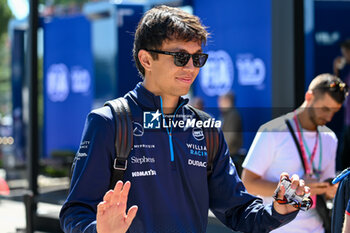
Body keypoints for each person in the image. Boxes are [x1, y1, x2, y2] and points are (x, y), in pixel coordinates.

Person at [60, 5, 309, 233]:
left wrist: (278, 211)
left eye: (198, 58)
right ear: (146, 59)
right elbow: (75, 212)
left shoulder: (206, 129)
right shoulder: (109, 122)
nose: (191, 67)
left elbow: (238, 211)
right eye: (180, 57)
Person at [241, 73, 348, 233]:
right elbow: (248, 184)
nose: (329, 116)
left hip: (316, 228)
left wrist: (329, 190)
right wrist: (298, 189)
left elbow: (325, 189)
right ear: (309, 96)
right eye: (325, 109)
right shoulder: (272, 131)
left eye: (335, 111)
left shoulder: (330, 138)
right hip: (278, 228)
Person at [218, 91, 243, 176]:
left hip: (231, 156)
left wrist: (219, 151)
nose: (219, 103)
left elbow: (230, 138)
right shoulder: (225, 115)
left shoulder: (233, 115)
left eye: (221, 100)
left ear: (228, 101)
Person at [333, 39, 350, 171]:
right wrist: (336, 71)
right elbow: (337, 93)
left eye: (345, 53)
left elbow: (336, 93)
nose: (344, 56)